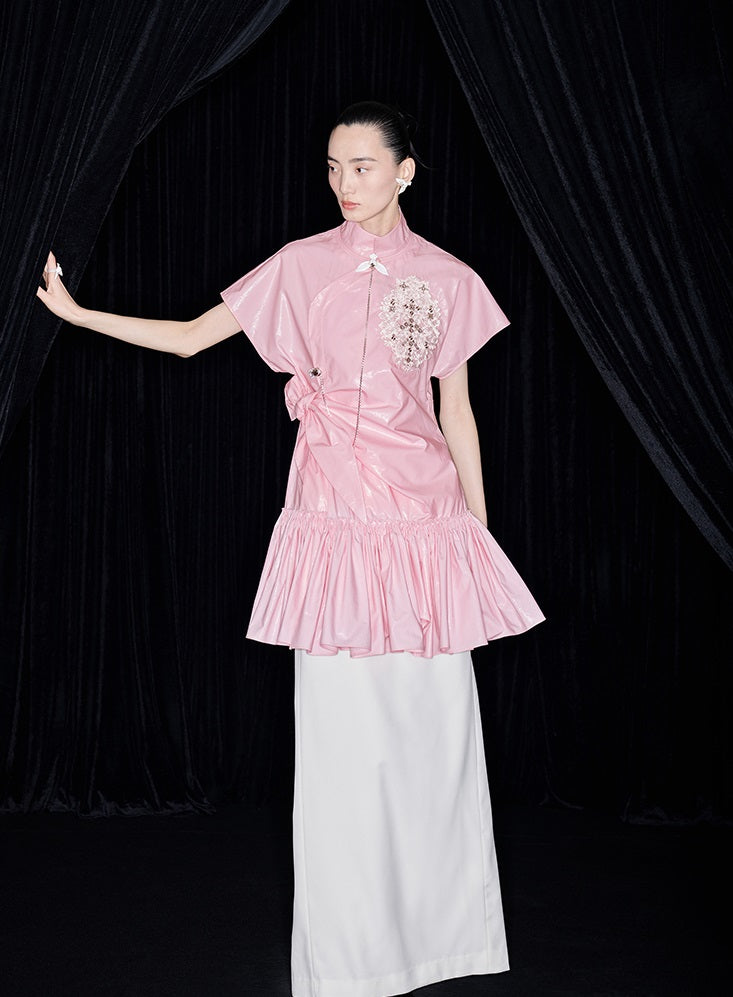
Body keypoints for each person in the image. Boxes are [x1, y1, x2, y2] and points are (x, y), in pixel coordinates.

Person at [37, 101, 544, 997]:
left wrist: (477, 539)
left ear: (405, 171)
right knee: (342, 752)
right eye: (333, 167)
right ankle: (348, 961)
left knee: (436, 744)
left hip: (424, 532)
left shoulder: (448, 277)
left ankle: (447, 944)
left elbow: (456, 413)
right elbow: (191, 339)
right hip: (333, 531)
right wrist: (80, 317)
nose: (344, 183)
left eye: (362, 166)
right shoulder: (301, 265)